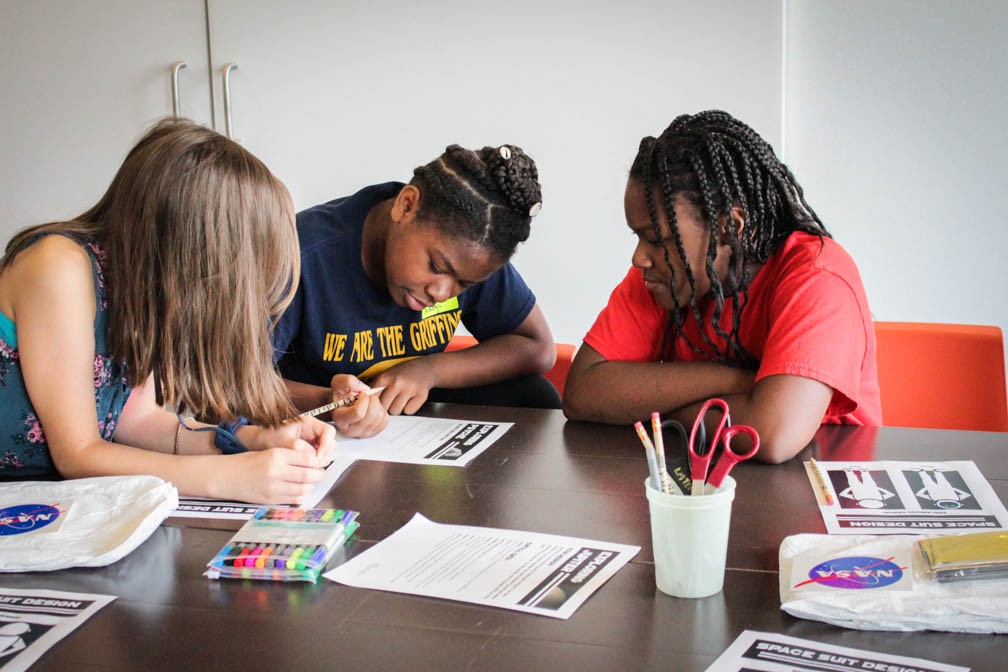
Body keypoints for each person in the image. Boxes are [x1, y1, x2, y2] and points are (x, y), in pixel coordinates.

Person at [0, 118, 335, 503]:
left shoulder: (140, 285)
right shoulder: (57, 267)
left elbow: (138, 421)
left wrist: (249, 440)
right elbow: (77, 456)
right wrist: (226, 476)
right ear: (188, 247)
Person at [563, 110, 881, 463]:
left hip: (817, 490)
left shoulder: (819, 277)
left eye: (655, 238)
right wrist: (739, 382)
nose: (640, 258)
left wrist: (656, 413)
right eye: (638, 237)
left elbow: (773, 435)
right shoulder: (664, 275)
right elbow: (583, 392)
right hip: (703, 478)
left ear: (729, 227)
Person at [273, 143, 560, 438]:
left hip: (403, 428)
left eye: (465, 285)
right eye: (436, 266)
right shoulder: (299, 255)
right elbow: (230, 385)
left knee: (535, 395)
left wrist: (429, 370)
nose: (442, 292)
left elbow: (536, 347)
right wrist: (331, 403)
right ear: (406, 206)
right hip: (310, 426)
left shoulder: (468, 250)